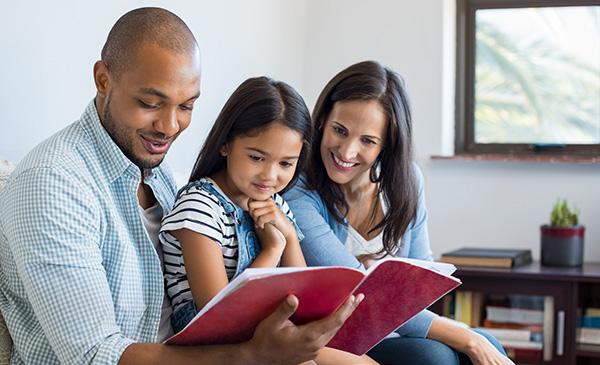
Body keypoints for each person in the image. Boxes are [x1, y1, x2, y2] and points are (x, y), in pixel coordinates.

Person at [0, 8, 363, 365]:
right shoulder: (52, 182)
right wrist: (252, 356)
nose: (170, 126)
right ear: (103, 80)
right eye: (150, 103)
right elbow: (95, 355)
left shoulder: (156, 172)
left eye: (187, 106)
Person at [284, 60, 515, 365]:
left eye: (367, 140)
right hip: (336, 340)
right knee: (439, 357)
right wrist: (466, 336)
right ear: (323, 120)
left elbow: (422, 279)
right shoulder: (298, 192)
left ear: (387, 145)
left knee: (489, 343)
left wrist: (470, 338)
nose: (346, 152)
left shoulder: (406, 181)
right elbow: (363, 296)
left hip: (396, 330)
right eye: (340, 130)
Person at [159, 76, 377, 365]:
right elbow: (222, 316)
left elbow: (302, 291)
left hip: (267, 328)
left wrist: (287, 234)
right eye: (257, 158)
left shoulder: (276, 205)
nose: (270, 176)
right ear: (226, 144)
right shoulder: (200, 207)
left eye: (286, 163)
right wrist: (272, 250)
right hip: (214, 345)